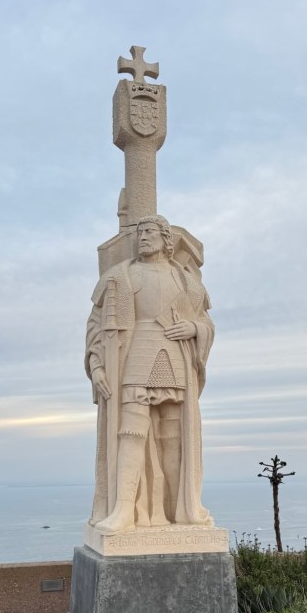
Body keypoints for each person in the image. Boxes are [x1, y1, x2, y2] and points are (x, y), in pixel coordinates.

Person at [86, 214, 214, 534]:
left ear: (165, 239)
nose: (142, 237)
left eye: (149, 232)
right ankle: (123, 510)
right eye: (140, 232)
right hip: (135, 355)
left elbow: (205, 322)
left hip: (175, 358)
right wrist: (97, 365)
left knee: (174, 437)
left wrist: (194, 328)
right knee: (131, 431)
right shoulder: (120, 277)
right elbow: (97, 327)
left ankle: (178, 509)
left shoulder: (186, 281)